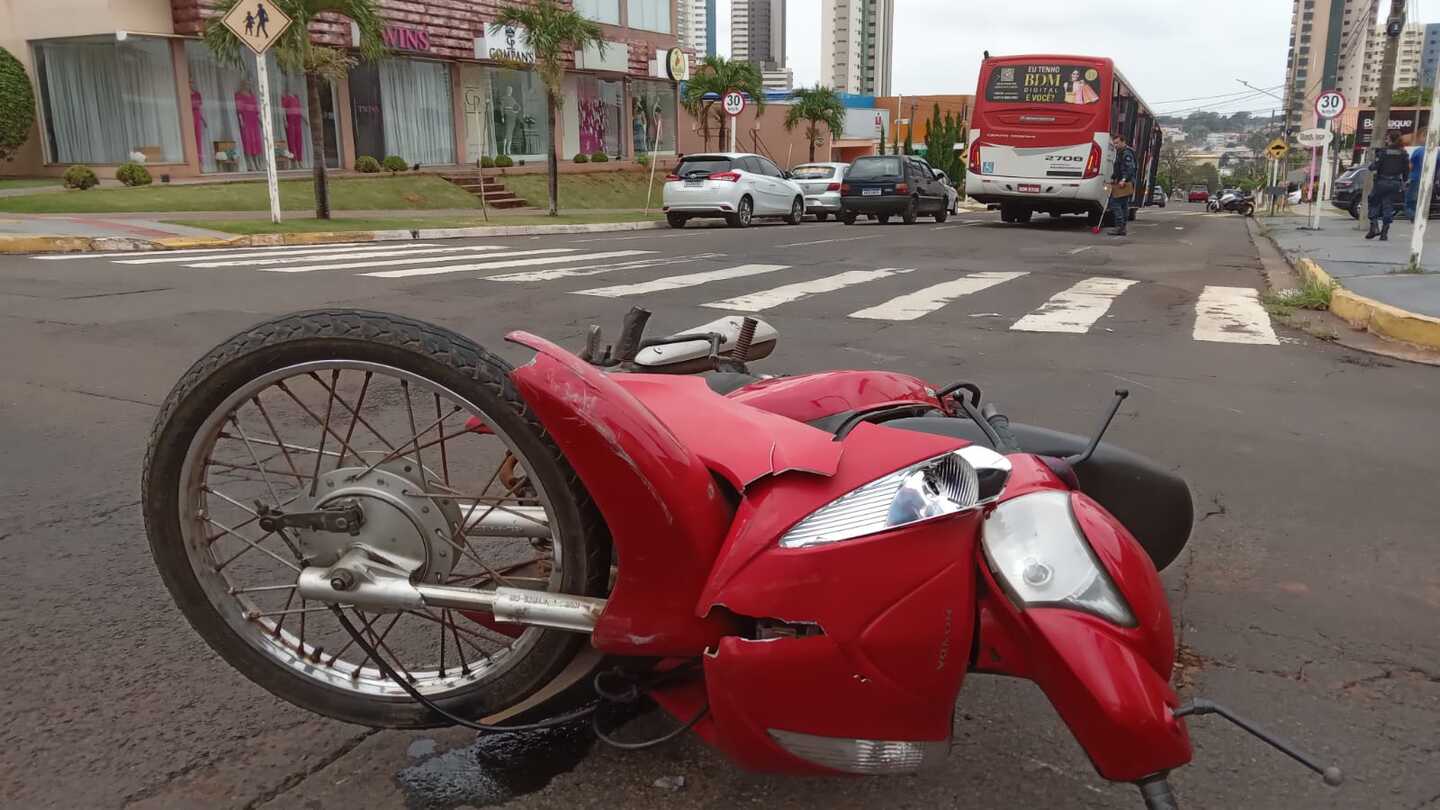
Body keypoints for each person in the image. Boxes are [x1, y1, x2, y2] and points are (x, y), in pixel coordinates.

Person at [1367, 130, 1409, 240]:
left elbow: (1375, 166)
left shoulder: (1384, 152)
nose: (1386, 139)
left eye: (1387, 137)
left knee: (1373, 201)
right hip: (1395, 183)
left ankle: (1374, 226)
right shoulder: (1403, 153)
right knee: (1388, 205)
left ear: (1389, 138)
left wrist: (1371, 165)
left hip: (1382, 182)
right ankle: (1384, 232)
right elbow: (1406, 170)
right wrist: (1404, 181)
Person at [1106, 133, 1137, 236]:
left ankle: (1119, 226)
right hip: (1122, 181)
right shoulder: (1120, 152)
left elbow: (1129, 168)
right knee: (1123, 205)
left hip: (1125, 183)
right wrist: (1114, 177)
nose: (1115, 145)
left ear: (1123, 142)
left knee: (1115, 203)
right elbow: (1118, 167)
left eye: (1117, 143)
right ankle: (1122, 227)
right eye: (1114, 143)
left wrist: (1123, 179)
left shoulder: (1126, 153)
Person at [1406, 129, 1428, 221]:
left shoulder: (1418, 151)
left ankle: (1413, 216)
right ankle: (1421, 216)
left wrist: (1407, 176)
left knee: (1411, 199)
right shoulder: (1436, 152)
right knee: (1423, 199)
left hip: (1415, 178)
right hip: (1428, 179)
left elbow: (1410, 166)